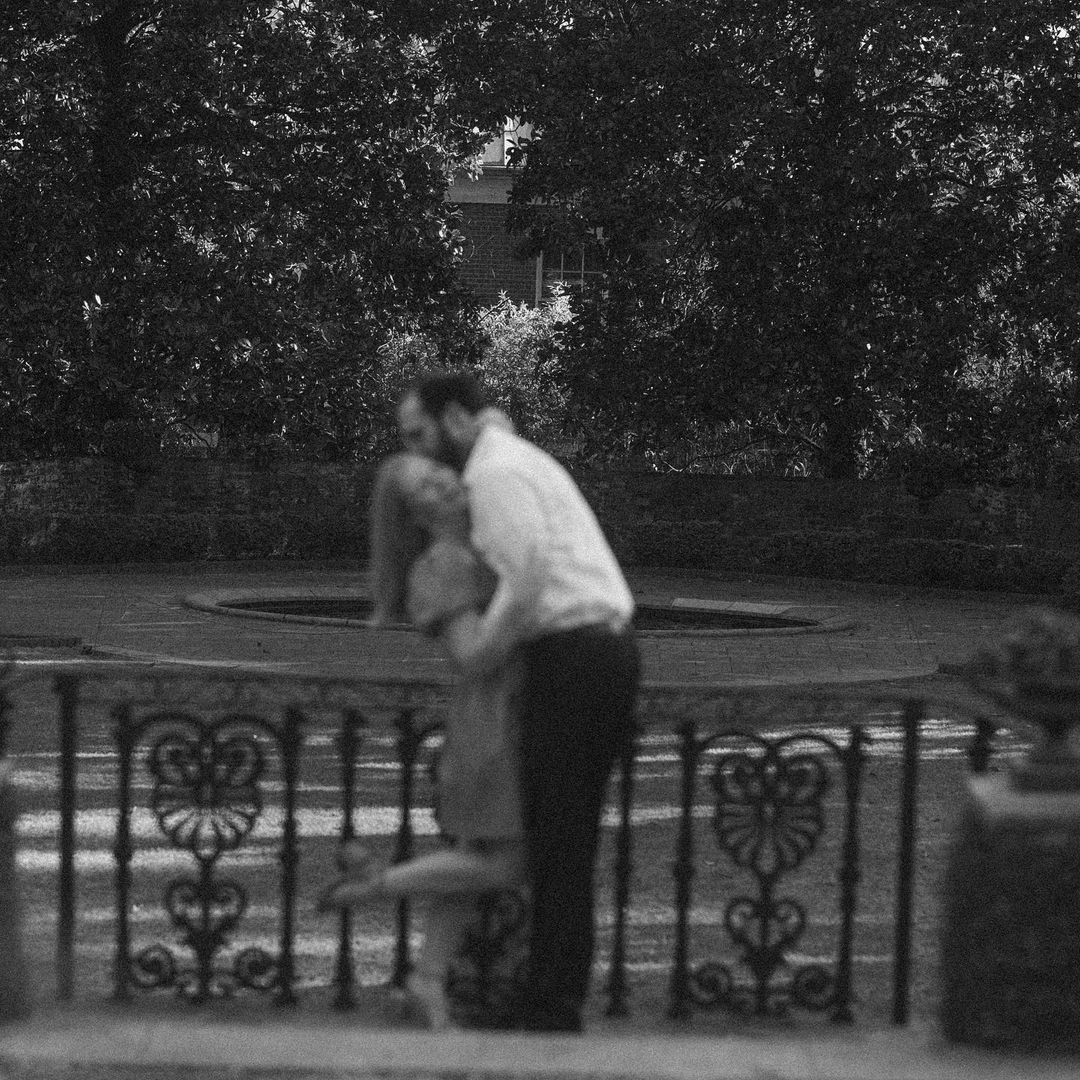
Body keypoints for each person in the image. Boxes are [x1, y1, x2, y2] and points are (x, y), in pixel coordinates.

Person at [397, 371, 641, 1033]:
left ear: (452, 420)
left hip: (575, 657)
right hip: (588, 654)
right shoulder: (502, 457)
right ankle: (547, 995)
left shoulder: (492, 476)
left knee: (559, 841)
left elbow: (528, 576)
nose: (418, 452)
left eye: (419, 434)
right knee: (559, 840)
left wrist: (488, 650)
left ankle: (550, 1003)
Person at [318, 450, 526, 1030]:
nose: (440, 483)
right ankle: (372, 887)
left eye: (436, 472)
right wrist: (524, 593)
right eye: (424, 490)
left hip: (499, 720)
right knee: (507, 866)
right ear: (414, 516)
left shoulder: (483, 542)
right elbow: (472, 656)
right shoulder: (442, 564)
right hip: (493, 727)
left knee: (472, 866)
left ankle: (427, 982)